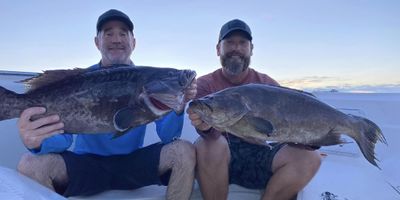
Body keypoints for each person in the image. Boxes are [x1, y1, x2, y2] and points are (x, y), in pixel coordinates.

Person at [17, 9, 197, 199]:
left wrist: (179, 105)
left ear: (133, 42)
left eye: (123, 33)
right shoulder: (79, 79)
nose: (116, 39)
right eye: (108, 33)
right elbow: (62, 143)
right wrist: (36, 142)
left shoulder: (150, 82)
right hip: (86, 165)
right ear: (97, 42)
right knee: (29, 164)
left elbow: (169, 136)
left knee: (184, 150)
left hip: (132, 164)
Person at [187, 19, 321, 200]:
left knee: (311, 158)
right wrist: (204, 126)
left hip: (261, 153)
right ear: (218, 49)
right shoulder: (204, 85)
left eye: (243, 43)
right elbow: (206, 130)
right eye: (230, 43)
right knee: (210, 145)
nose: (236, 48)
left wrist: (312, 138)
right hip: (219, 160)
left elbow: (287, 130)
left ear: (251, 49)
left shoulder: (267, 85)